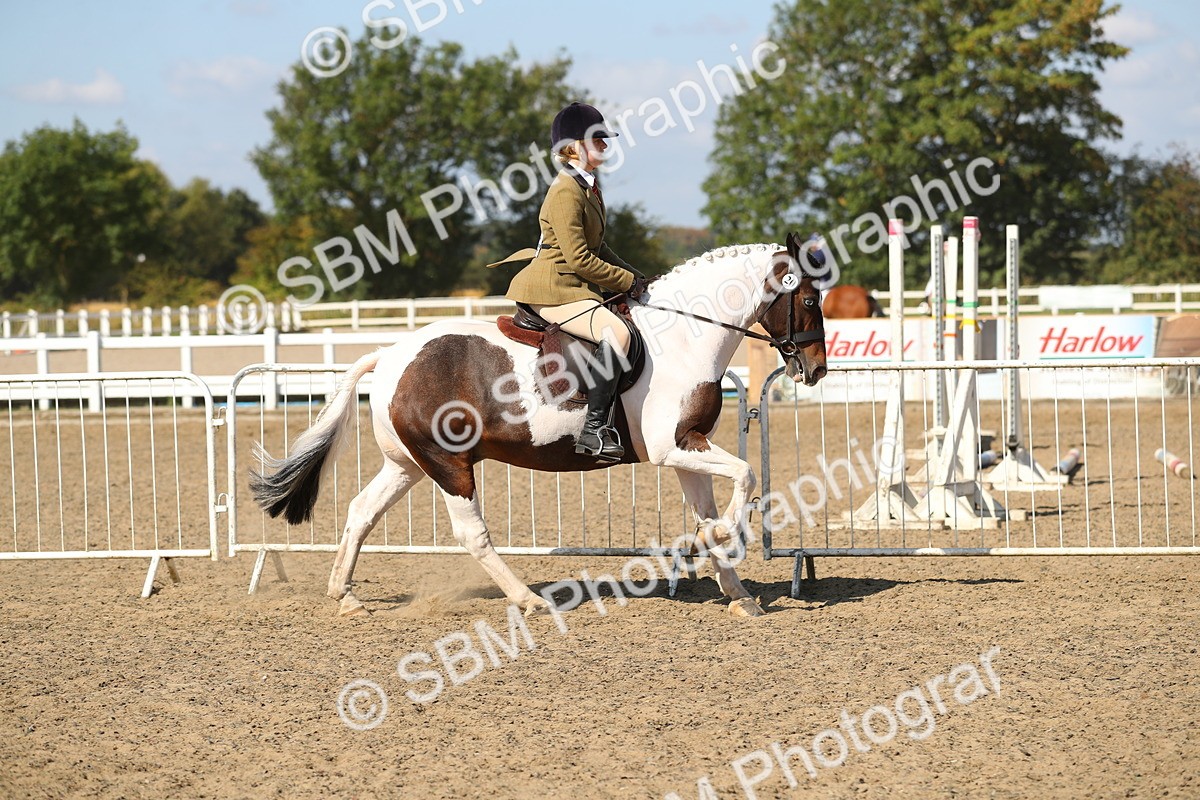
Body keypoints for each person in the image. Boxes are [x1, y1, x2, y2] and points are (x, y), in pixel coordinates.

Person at [496, 102, 648, 462]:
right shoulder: (566, 190)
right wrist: (625, 280)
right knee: (618, 333)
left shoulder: (587, 186)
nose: (605, 145)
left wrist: (637, 277)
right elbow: (579, 258)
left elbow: (599, 247)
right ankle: (594, 431)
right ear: (575, 146)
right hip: (553, 287)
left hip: (572, 285)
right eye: (597, 140)